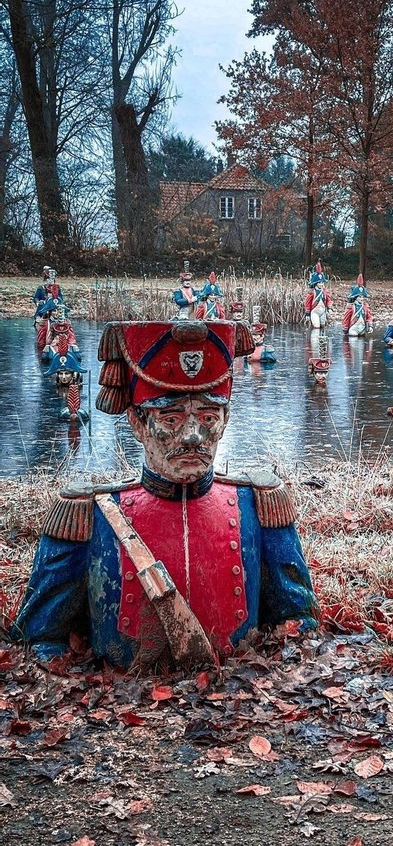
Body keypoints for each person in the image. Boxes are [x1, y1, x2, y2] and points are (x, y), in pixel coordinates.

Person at [12, 319, 319, 669]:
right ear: (137, 422)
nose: (192, 435)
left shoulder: (260, 504)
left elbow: (299, 625)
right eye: (171, 419)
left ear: (226, 419)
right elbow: (40, 640)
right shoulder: (87, 513)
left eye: (207, 416)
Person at [304, 262, 332, 329]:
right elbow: (307, 303)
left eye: (322, 282)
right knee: (317, 327)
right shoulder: (312, 293)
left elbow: (328, 300)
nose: (321, 284)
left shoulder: (324, 292)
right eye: (319, 283)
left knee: (322, 327)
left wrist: (329, 308)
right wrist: (307, 314)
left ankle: (321, 339)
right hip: (314, 312)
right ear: (315, 283)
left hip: (323, 312)